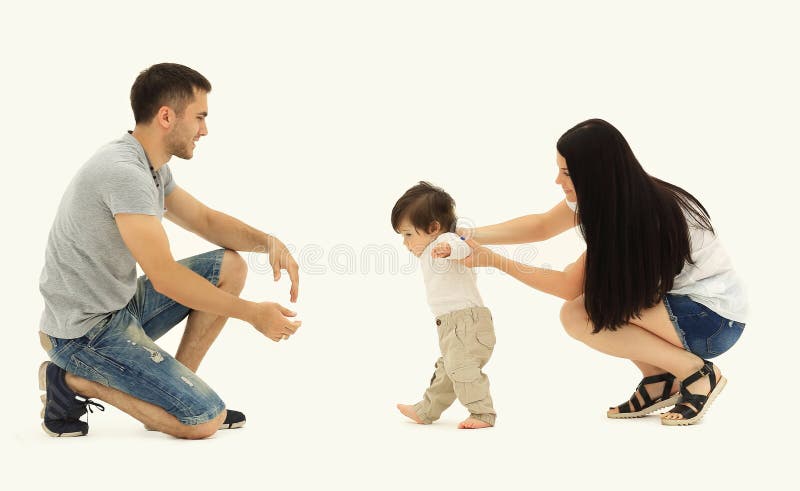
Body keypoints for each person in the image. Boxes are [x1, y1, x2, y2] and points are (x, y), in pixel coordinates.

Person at [37, 63, 302, 439]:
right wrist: (252, 314)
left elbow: (206, 221)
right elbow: (164, 276)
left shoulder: (150, 167)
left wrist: (270, 243)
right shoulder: (124, 172)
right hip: (82, 334)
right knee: (204, 421)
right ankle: (71, 381)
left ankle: (174, 395)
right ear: (166, 116)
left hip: (119, 307)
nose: (205, 130)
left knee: (230, 266)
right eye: (199, 117)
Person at [459, 119, 747, 425]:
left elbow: (568, 285)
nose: (558, 180)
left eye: (567, 173)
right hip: (691, 312)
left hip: (712, 322)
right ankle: (660, 379)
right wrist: (467, 233)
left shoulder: (634, 219)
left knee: (584, 312)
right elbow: (542, 225)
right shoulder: (611, 195)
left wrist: (493, 260)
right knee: (589, 307)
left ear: (594, 174)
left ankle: (697, 373)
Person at [392, 182, 497, 429]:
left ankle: (482, 413)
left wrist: (449, 247)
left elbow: (462, 245)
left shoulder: (447, 241)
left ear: (433, 228)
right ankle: (426, 410)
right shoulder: (431, 250)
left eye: (408, 234)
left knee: (462, 369)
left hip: (466, 323)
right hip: (452, 325)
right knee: (447, 371)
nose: (405, 243)